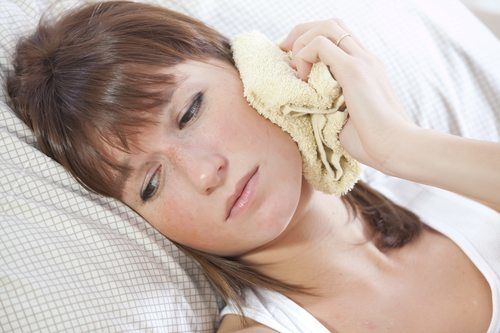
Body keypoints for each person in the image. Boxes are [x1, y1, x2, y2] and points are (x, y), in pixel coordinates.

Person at [3, 1, 498, 332]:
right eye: (151, 183)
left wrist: (402, 149)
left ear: (252, 66)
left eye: (190, 112)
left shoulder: (458, 187)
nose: (203, 174)